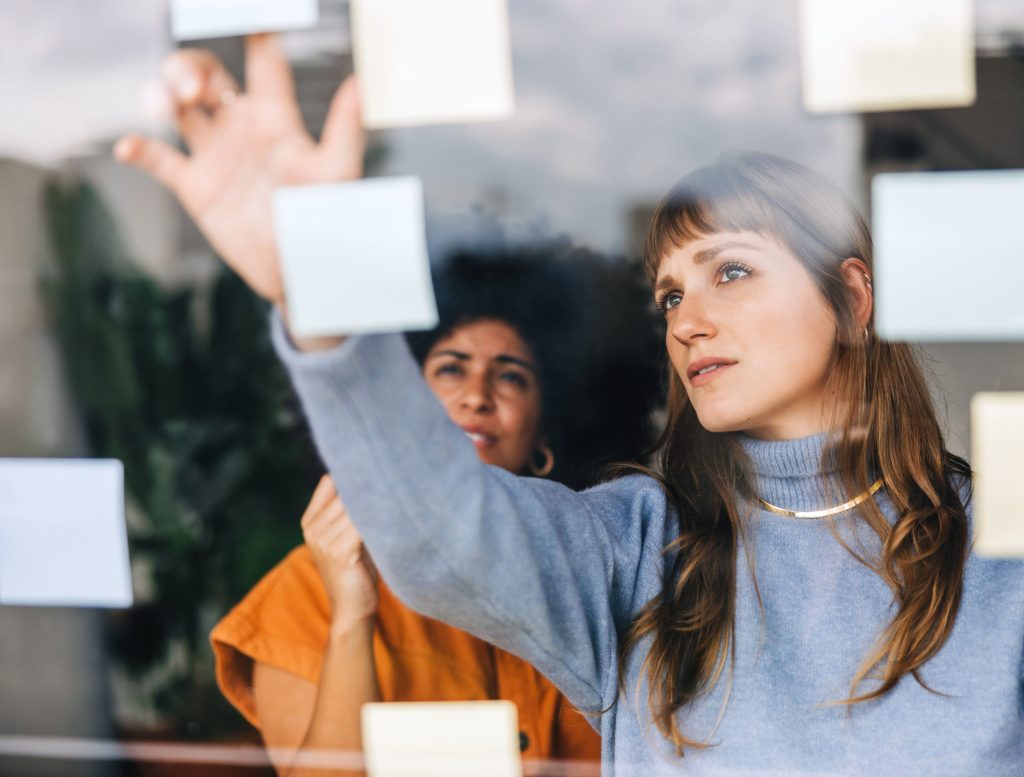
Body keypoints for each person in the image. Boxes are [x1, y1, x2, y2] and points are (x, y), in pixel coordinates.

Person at [117, 36, 1024, 775]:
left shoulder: (998, 549)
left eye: (731, 271)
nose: (689, 322)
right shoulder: (637, 551)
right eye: (670, 296)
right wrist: (318, 304)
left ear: (853, 300)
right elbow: (440, 535)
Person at [208, 245, 660, 776]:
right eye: (451, 369)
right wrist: (352, 618)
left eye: (510, 375)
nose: (477, 395)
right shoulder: (304, 593)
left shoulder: (602, 577)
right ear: (402, 410)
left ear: (544, 435)